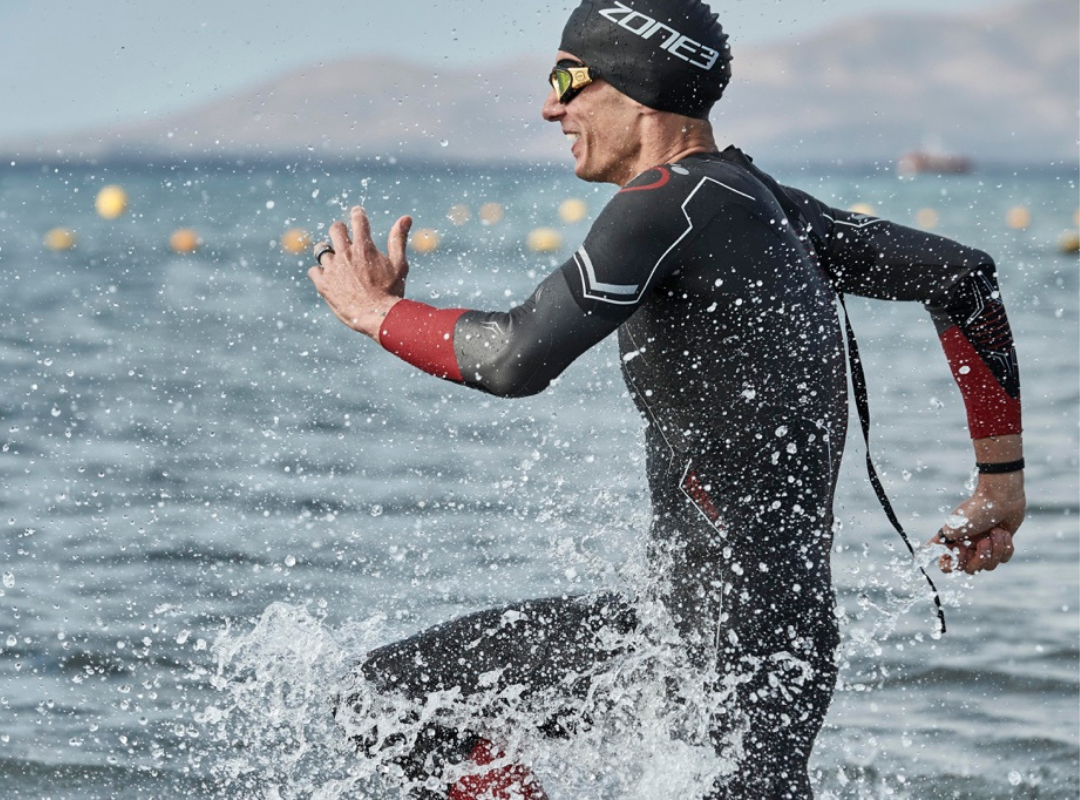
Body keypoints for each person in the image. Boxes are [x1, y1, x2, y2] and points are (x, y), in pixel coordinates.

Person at [307, 1, 1026, 797]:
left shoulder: (669, 204)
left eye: (565, 81)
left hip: (729, 650)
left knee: (383, 702)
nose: (550, 107)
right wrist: (1001, 483)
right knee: (391, 703)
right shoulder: (766, 205)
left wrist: (378, 313)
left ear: (635, 82)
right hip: (721, 636)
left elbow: (515, 356)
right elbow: (965, 281)